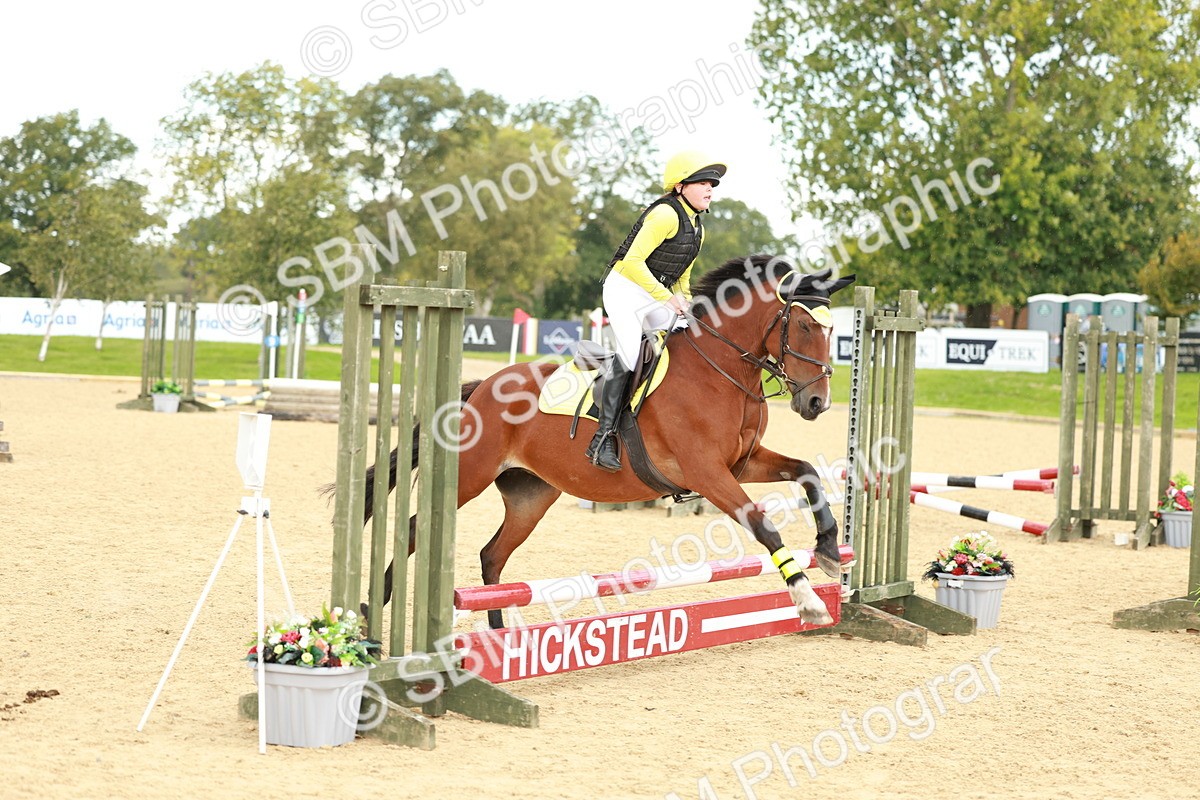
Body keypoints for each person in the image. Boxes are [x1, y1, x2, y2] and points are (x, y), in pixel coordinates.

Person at [585, 151, 727, 472]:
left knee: (692, 338)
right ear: (680, 187)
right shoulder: (664, 214)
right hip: (624, 289)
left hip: (654, 294)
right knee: (632, 351)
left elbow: (683, 278)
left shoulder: (698, 228)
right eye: (703, 183)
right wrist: (667, 298)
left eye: (712, 184)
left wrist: (685, 303)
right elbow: (633, 263)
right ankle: (602, 436)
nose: (710, 189)